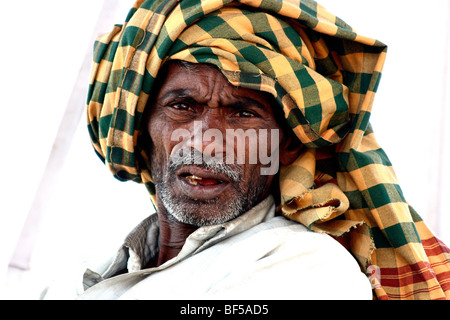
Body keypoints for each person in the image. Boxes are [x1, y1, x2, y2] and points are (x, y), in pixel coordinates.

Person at [67, 0, 450, 299]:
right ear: (143, 127)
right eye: (182, 106)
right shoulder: (84, 273)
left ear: (285, 145)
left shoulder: (308, 270)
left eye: (243, 113)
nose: (205, 140)